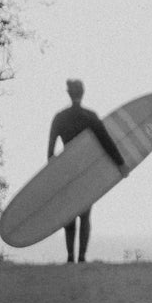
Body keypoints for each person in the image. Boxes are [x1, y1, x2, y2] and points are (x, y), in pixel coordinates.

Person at [47, 78, 126, 263]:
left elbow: (50, 151)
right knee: (85, 214)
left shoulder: (59, 117)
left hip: (67, 171)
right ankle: (82, 257)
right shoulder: (90, 116)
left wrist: (51, 175)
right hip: (86, 171)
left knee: (69, 214)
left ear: (68, 93)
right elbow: (107, 142)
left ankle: (70, 257)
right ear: (82, 93)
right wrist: (121, 164)